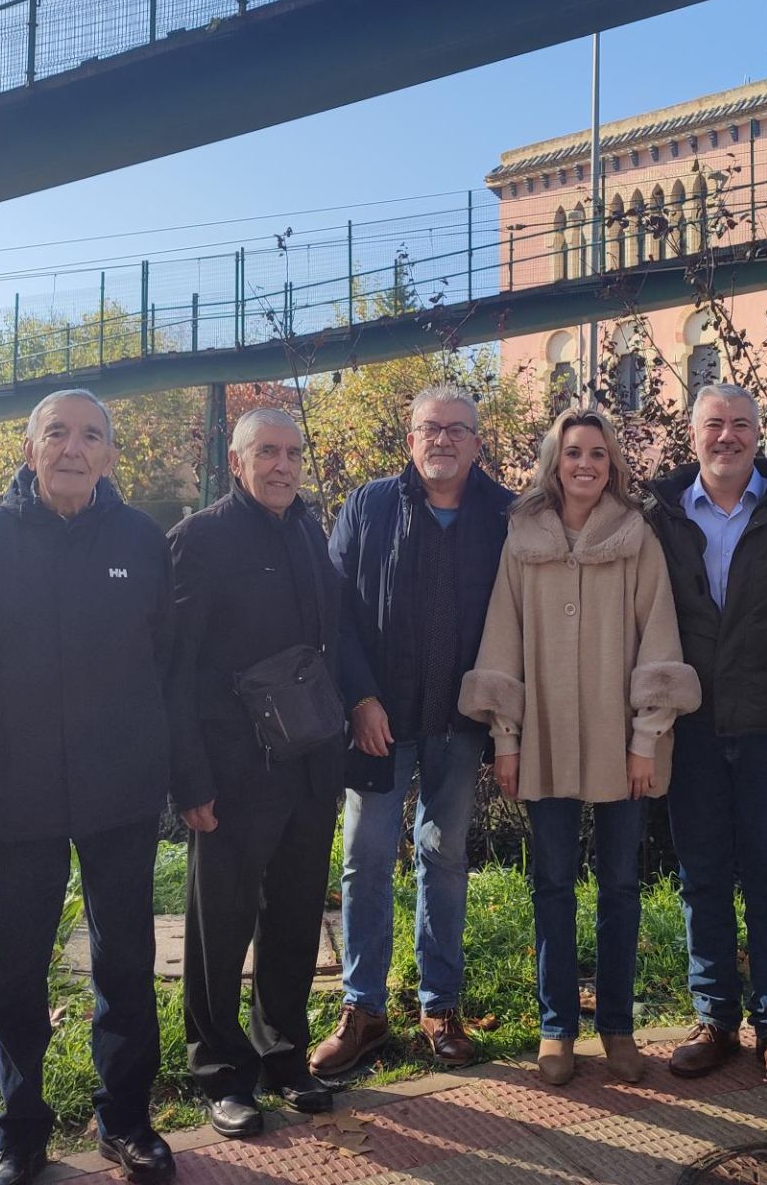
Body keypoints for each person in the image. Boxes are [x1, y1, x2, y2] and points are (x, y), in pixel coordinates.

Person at [0, 390, 176, 1185]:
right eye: (57, 433)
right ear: (29, 445)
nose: (73, 448)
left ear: (111, 454)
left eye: (90, 436)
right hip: (17, 790)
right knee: (16, 971)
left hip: (122, 791)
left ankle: (127, 1120)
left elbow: (163, 659)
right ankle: (20, 1133)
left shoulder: (143, 541)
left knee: (126, 961)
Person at [461, 407, 699, 1086]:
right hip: (543, 744)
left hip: (621, 746)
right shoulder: (522, 537)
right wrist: (505, 740)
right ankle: (556, 1027)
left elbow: (660, 639)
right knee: (552, 886)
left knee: (622, 885)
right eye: (573, 453)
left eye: (597, 452)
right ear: (555, 461)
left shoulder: (636, 536)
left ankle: (617, 1028)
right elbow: (501, 638)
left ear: (612, 462)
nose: (585, 463)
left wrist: (646, 739)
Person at [310, 384, 514, 1077]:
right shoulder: (369, 506)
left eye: (458, 429)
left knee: (445, 857)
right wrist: (360, 698)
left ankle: (439, 1006)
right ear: (411, 439)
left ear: (477, 443)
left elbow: (519, 621)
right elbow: (333, 615)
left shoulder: (506, 514)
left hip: (459, 723)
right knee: (365, 858)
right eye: (431, 428)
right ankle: (363, 1009)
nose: (444, 440)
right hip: (378, 722)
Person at [643, 383, 767, 1097]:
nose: (727, 436)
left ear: (760, 433)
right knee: (701, 877)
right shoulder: (660, 518)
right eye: (713, 424)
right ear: (692, 435)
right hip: (691, 725)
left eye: (741, 424)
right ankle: (715, 1019)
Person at [166, 408, 347, 1138]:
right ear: (235, 461)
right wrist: (189, 780)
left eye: (292, 453)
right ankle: (221, 1072)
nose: (281, 465)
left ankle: (283, 1055)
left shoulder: (308, 530)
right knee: (221, 927)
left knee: (297, 920)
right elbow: (173, 672)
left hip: (307, 766)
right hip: (233, 770)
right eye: (266, 452)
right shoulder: (198, 540)